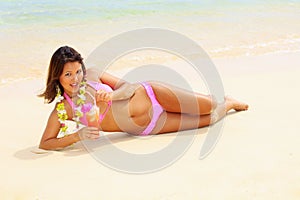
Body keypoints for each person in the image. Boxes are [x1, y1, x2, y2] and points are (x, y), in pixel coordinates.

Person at [38, 46, 248, 150]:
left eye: (77, 71)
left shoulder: (93, 75)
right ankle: (228, 103)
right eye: (68, 74)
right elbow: (45, 143)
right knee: (208, 120)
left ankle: (220, 100)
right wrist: (78, 136)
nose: (75, 78)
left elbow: (128, 86)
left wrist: (112, 95)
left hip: (152, 95)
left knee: (209, 105)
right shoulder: (63, 109)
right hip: (149, 126)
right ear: (57, 76)